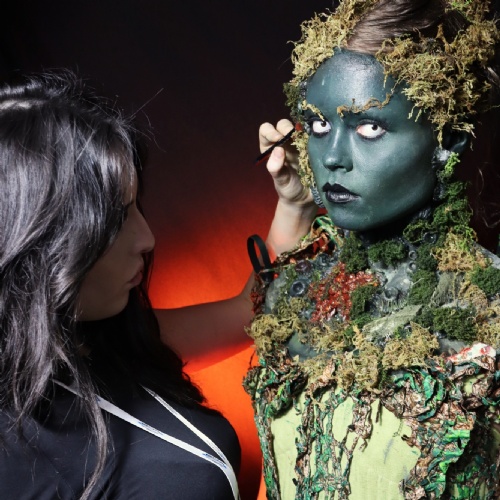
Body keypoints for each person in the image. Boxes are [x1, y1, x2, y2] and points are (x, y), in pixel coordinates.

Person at [0, 73, 315, 499]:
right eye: (116, 219)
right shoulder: (12, 452)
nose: (147, 239)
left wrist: (295, 206)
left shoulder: (105, 338)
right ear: (38, 242)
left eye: (136, 207)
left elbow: (254, 310)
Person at [243, 0, 500, 498]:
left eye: (370, 127)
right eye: (319, 125)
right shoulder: (290, 295)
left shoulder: (487, 311)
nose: (333, 158)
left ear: (447, 138)